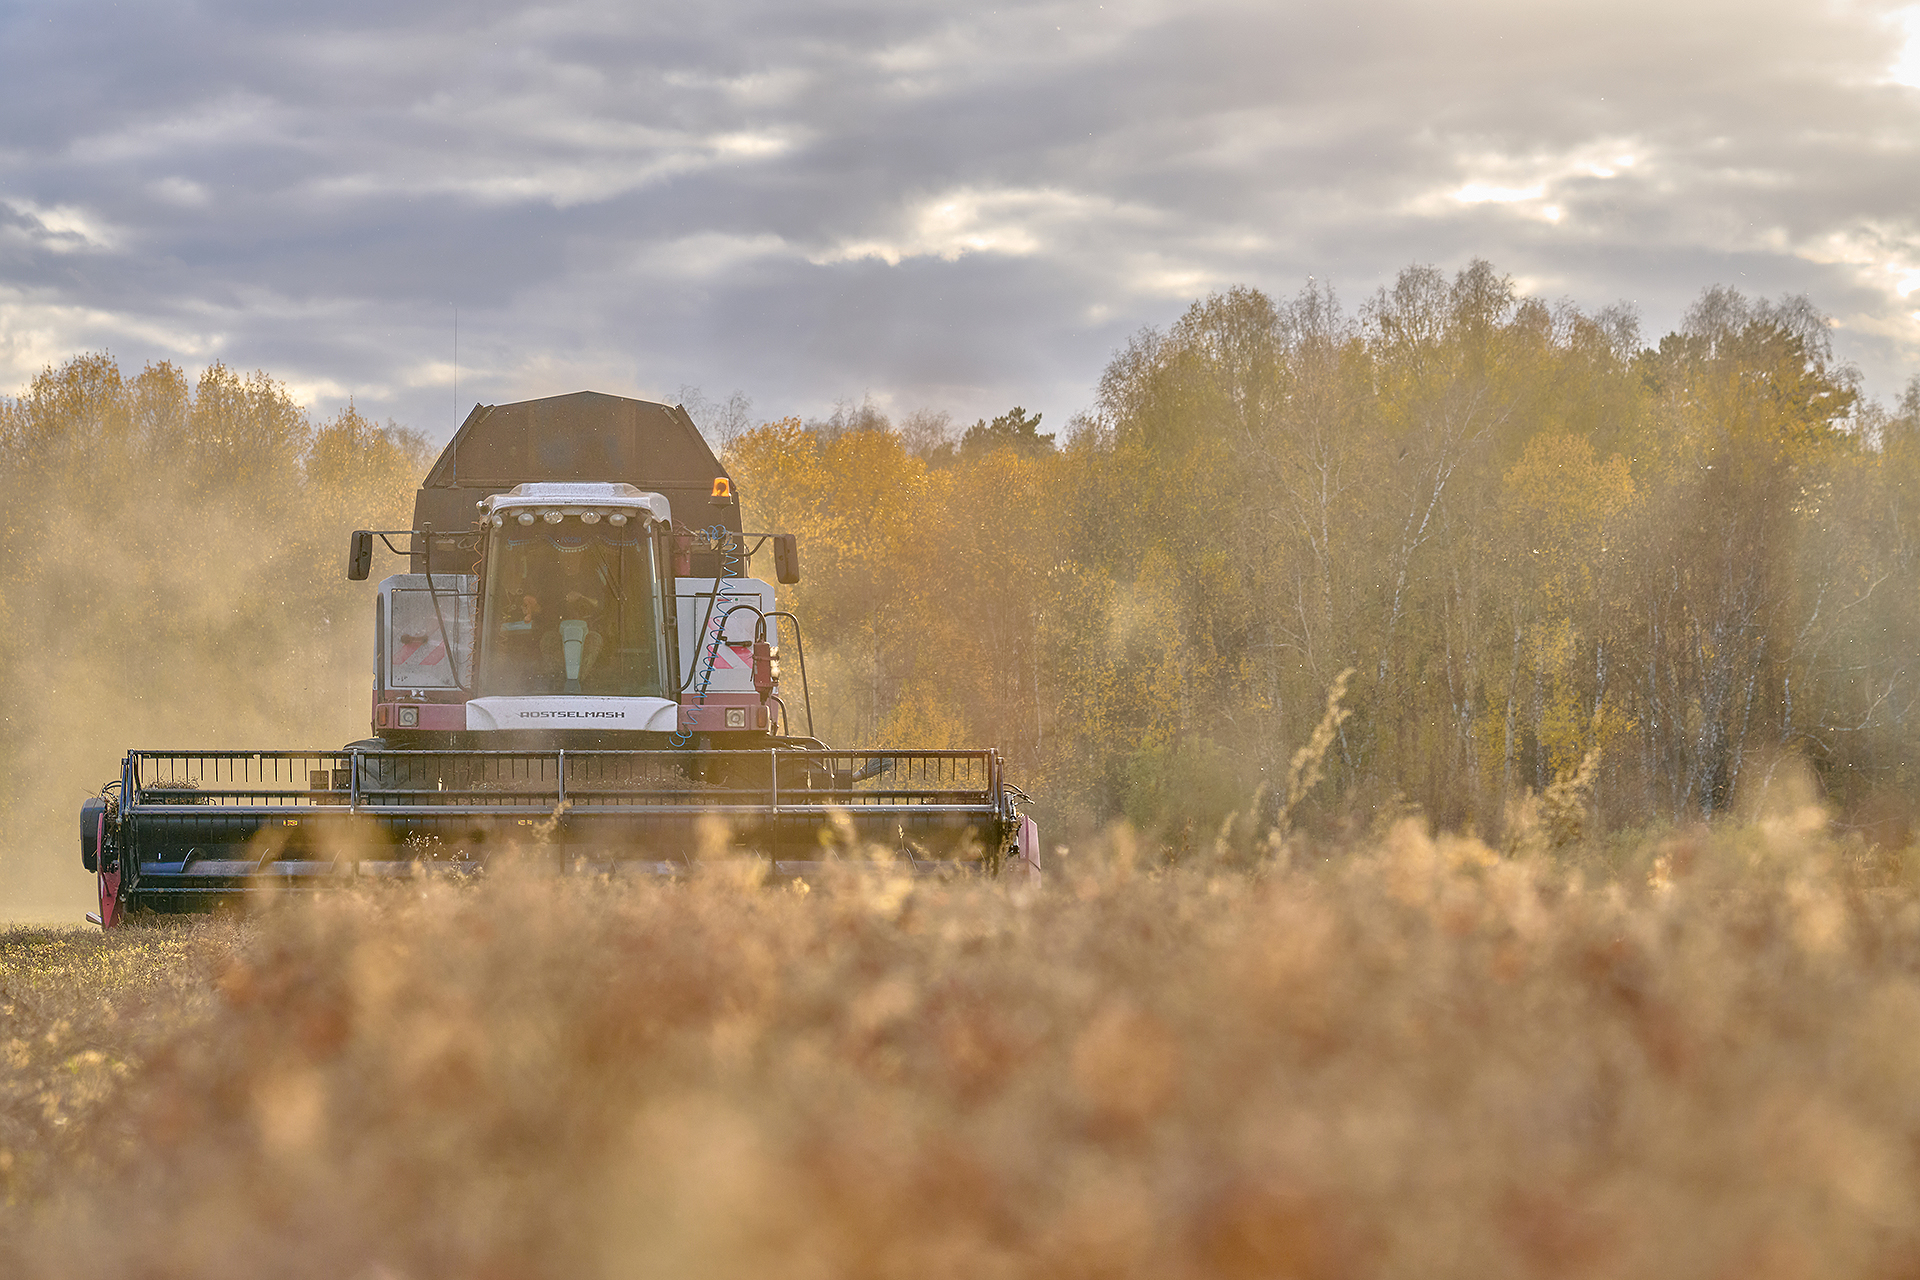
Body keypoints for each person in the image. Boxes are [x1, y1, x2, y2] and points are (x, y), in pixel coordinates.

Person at [537, 545, 610, 688]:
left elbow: (600, 604)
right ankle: (558, 684)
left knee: (595, 641)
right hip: (557, 631)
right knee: (548, 640)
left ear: (581, 557)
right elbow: (543, 606)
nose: (568, 561)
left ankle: (583, 683)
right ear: (559, 558)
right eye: (564, 557)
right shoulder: (553, 581)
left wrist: (582, 597)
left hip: (588, 629)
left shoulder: (591, 578)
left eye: (573, 556)